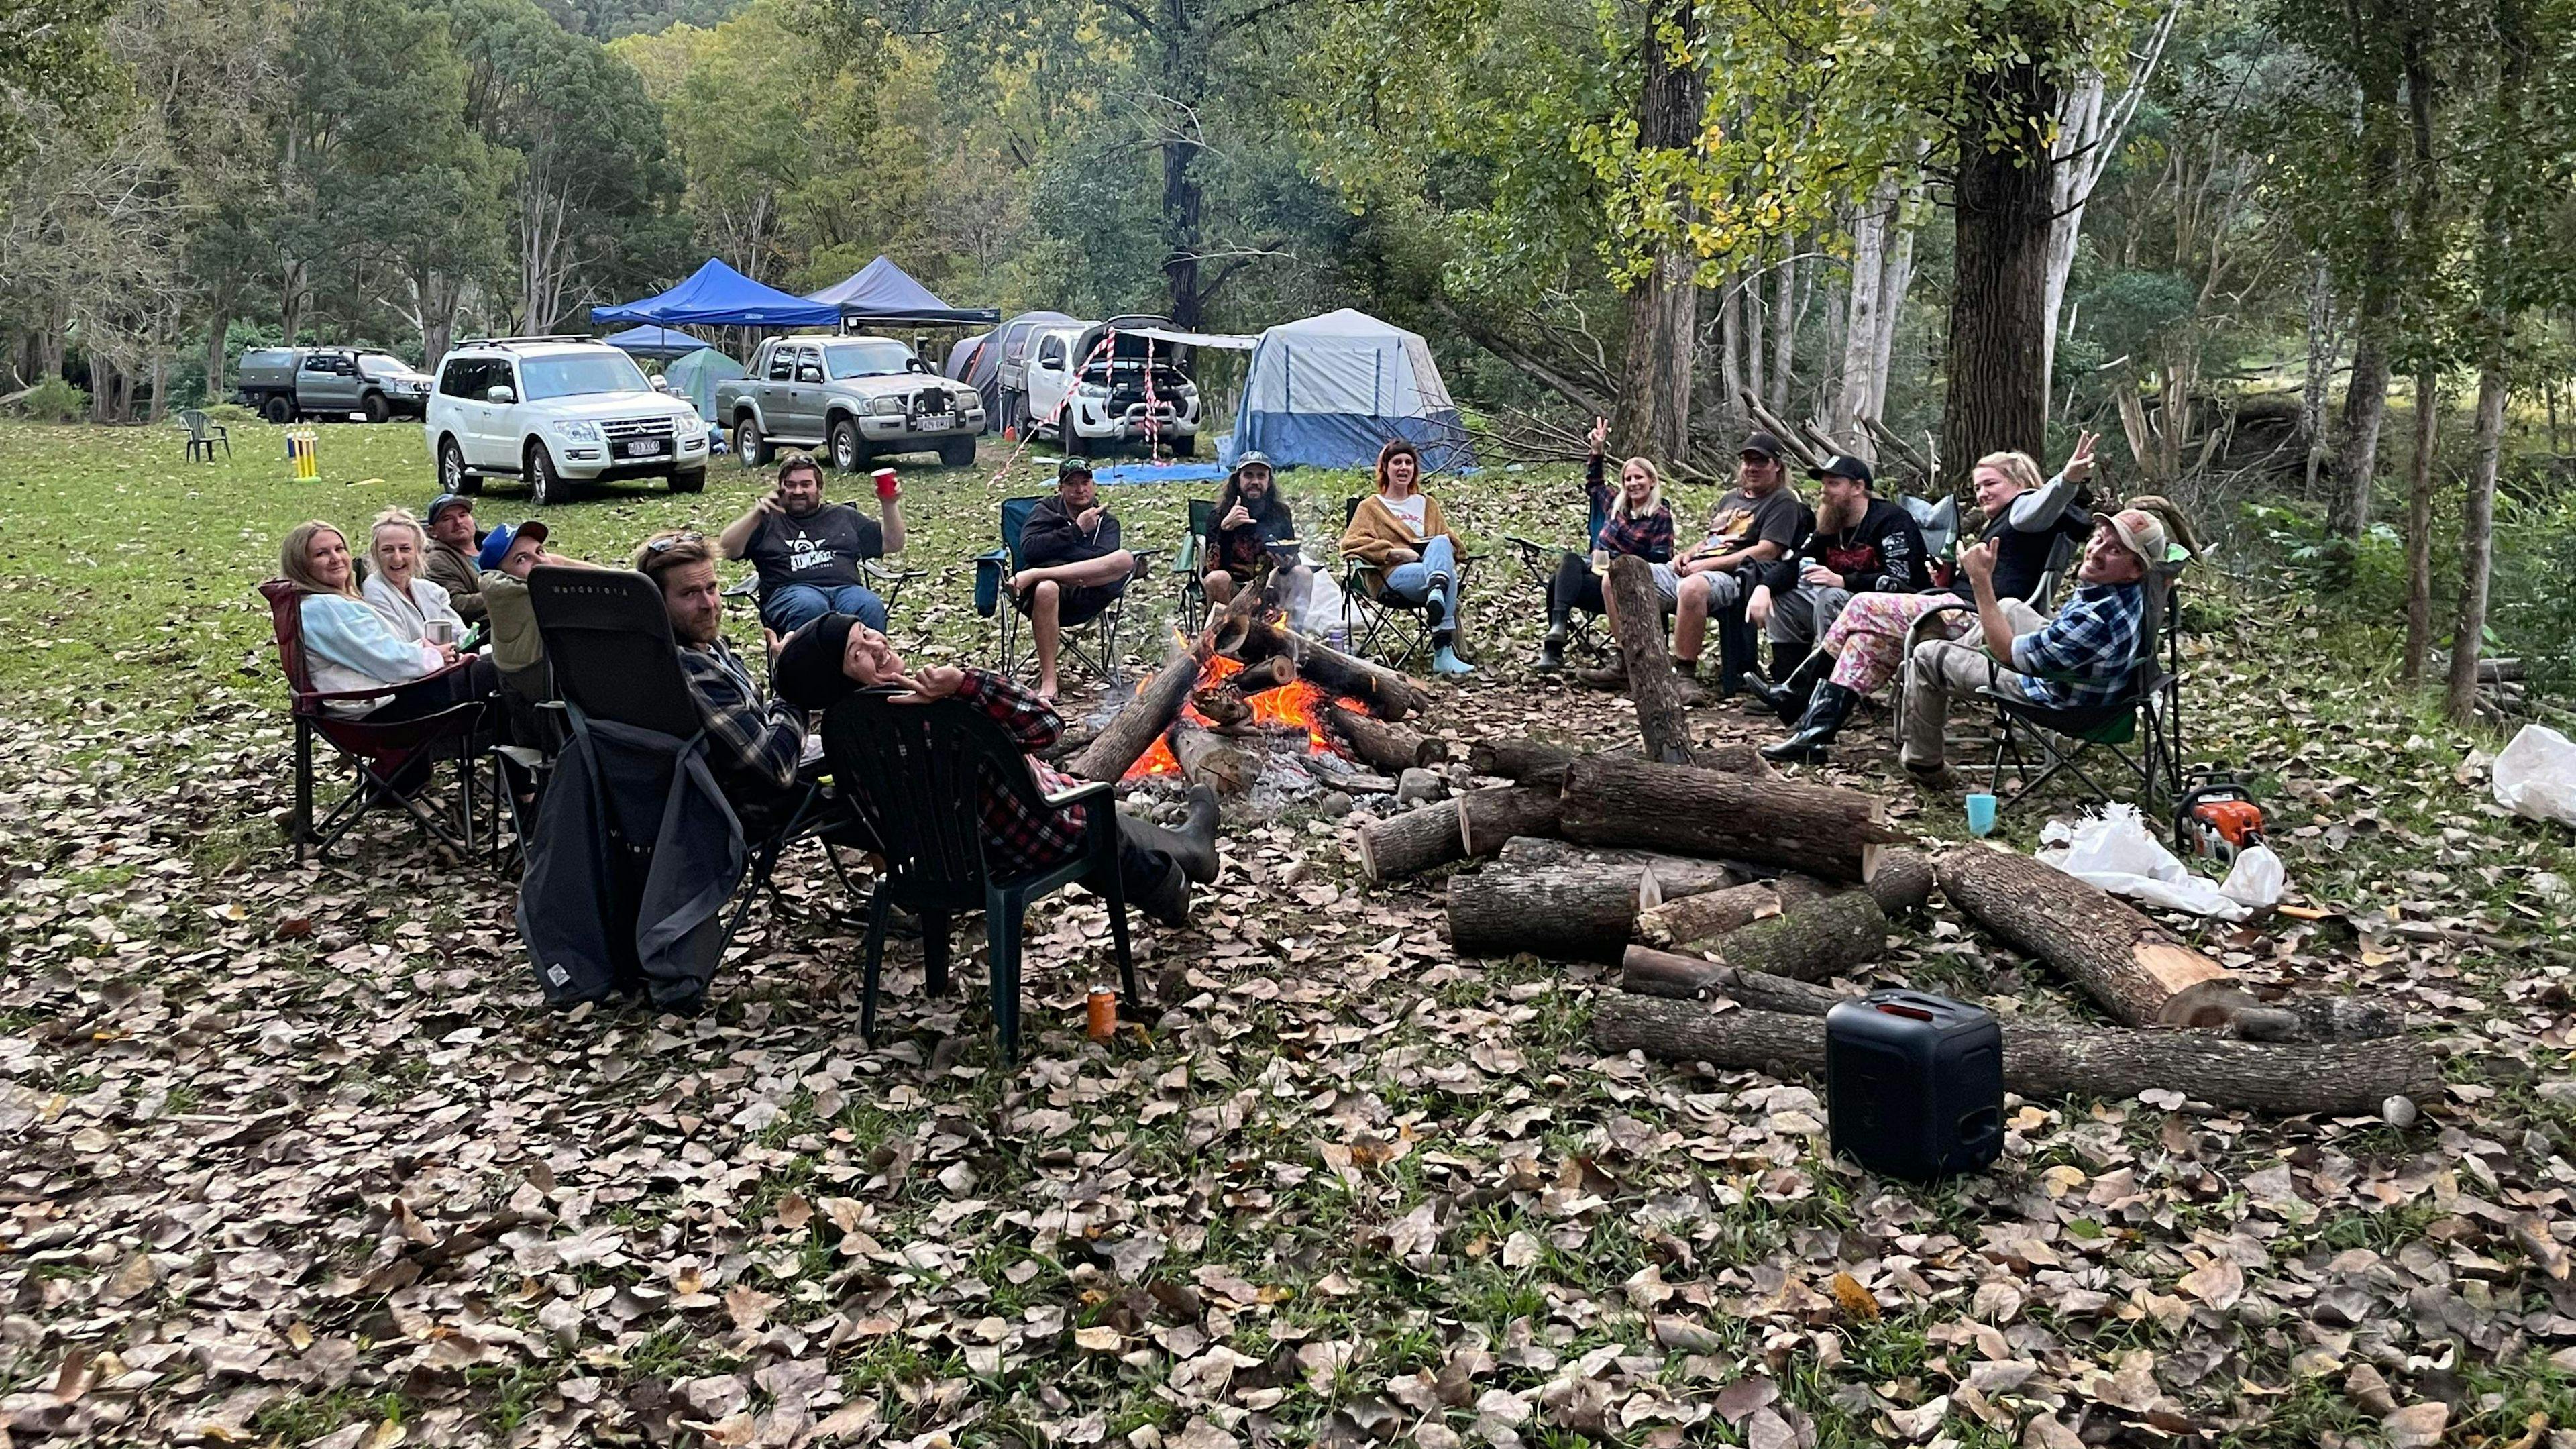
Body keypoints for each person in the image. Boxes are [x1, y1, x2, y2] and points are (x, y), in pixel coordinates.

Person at [771, 614, 1220, 925]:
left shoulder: (842, 737)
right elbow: (1047, 726)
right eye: (858, 653)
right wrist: (966, 683)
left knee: (1089, 805)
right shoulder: (937, 712)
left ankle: (1188, 850)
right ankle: (1166, 885)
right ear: (844, 679)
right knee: (1093, 819)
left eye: (867, 631)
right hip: (1025, 839)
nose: (876, 644)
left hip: (947, 865)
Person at [1760, 435, 2100, 762]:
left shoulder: (2024, 509)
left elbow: (2046, 500)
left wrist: (2068, 478)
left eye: (1990, 484)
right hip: (1957, 610)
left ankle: (1795, 691)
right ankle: (1813, 736)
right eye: (1978, 487)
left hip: (1977, 618)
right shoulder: (2009, 522)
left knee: (1863, 603)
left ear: (2018, 482)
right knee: (1863, 643)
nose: (1981, 493)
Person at [1890, 508, 2167, 782]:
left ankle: (1923, 764)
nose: (2096, 551)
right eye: (2099, 538)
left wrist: (1980, 580)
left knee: (1926, 656)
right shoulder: (2133, 590)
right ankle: (1948, 668)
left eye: (2116, 550)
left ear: (2135, 570)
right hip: (2089, 679)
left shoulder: (2096, 620)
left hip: (2062, 700)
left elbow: (2008, 654)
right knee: (2009, 607)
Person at [1605, 432, 1803, 696]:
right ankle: (1627, 660)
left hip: (1736, 576)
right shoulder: (1731, 498)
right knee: (1617, 576)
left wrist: (1708, 566)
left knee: (1692, 587)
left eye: (1761, 461)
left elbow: (1767, 551)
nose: (1752, 468)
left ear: (1777, 465)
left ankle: (1685, 673)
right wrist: (1687, 554)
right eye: (1747, 461)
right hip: (1701, 566)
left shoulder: (1783, 501)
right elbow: (1714, 541)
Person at [636, 529, 808, 824]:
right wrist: (794, 682)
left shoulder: (707, 645)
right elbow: (775, 769)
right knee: (870, 765)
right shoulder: (687, 667)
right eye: (690, 593)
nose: (709, 605)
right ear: (656, 603)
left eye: (712, 588)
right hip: (734, 808)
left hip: (742, 776)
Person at [1743, 453, 1929, 719]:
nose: (1823, 491)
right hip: (1845, 608)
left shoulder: (1891, 520)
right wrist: (1764, 588)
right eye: (1823, 484)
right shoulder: (1832, 523)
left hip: (1895, 616)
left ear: (1858, 487)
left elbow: (1901, 580)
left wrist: (1845, 581)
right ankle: (1788, 690)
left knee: (1830, 597)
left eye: (1833, 484)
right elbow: (1795, 563)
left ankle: (1830, 698)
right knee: (1784, 601)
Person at [276, 520, 490, 720]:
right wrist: (434, 656)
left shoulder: (324, 604)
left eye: (340, 549)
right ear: (300, 564)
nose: (336, 558)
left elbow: (377, 651)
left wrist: (423, 648)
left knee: (497, 668)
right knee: (501, 670)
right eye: (321, 554)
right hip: (380, 709)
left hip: (386, 694)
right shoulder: (322, 609)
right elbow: (387, 662)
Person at [1538, 417, 1678, 673]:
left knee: (1557, 581)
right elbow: (1594, 485)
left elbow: (1661, 561)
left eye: (1639, 478)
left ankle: (1554, 644)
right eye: (1628, 479)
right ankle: (1555, 639)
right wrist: (1597, 450)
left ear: (1652, 482)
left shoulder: (1660, 516)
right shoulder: (1616, 504)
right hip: (1597, 576)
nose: (1633, 483)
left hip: (1628, 586)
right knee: (1565, 567)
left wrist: (1622, 564)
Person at [717, 451, 905, 634]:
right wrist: (756, 514)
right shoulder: (766, 521)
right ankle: (809, 666)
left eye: (806, 484)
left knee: (869, 605)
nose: (798, 491)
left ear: (819, 488)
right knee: (810, 606)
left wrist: (889, 504)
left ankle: (869, 665)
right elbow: (726, 549)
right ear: (780, 487)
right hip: (790, 593)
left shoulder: (843, 516)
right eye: (790, 485)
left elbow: (892, 544)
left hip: (846, 590)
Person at [1340, 439, 1473, 677]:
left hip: (1428, 569)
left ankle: (1436, 590)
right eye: (1397, 462)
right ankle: (1443, 654)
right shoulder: (1371, 507)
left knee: (1441, 542)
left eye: (1409, 462)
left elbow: (1452, 543)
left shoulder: (1427, 504)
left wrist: (1440, 547)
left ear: (1415, 469)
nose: (1403, 468)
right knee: (1447, 575)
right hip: (1392, 577)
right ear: (1385, 468)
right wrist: (1392, 553)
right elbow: (1350, 544)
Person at [1013, 458, 1139, 701]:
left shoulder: (1107, 522)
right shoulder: (1045, 510)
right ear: (1060, 487)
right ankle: (1049, 680)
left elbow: (1100, 563)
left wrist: (1049, 563)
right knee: (1047, 588)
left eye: (1085, 482)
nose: (1080, 490)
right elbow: (1030, 550)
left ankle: (1038, 575)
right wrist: (1076, 531)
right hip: (1043, 598)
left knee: (1124, 559)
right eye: (1072, 484)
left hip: (1089, 594)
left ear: (1094, 484)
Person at [1201, 451, 1299, 609]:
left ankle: (1291, 631)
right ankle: (1226, 632)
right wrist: (1226, 530)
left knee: (1302, 574)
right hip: (1233, 589)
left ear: (1269, 481)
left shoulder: (1280, 513)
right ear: (1237, 480)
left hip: (1269, 586)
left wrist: (1286, 564)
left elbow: (1292, 556)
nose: (1255, 481)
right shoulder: (1219, 515)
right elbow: (1213, 570)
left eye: (1261, 476)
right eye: (1248, 475)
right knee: (1217, 578)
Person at [362, 507, 469, 647]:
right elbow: (396, 648)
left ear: (418, 551)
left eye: (405, 549)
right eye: (388, 550)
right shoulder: (374, 589)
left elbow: (462, 635)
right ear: (375, 553)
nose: (398, 558)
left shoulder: (431, 590)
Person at [423, 494, 488, 624]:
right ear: (432, 532)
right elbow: (456, 604)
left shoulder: (498, 547)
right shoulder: (436, 561)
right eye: (447, 519)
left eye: (463, 515)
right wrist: (505, 596)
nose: (458, 522)